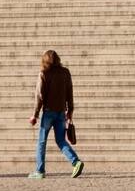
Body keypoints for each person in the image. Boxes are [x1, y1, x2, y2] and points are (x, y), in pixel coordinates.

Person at [28, 50, 84, 179]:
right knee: (61, 140)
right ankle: (76, 162)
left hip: (48, 112)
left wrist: (35, 115)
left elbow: (39, 96)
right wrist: (70, 111)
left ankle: (39, 171)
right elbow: (70, 92)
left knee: (42, 142)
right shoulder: (65, 72)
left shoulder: (44, 73)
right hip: (61, 113)